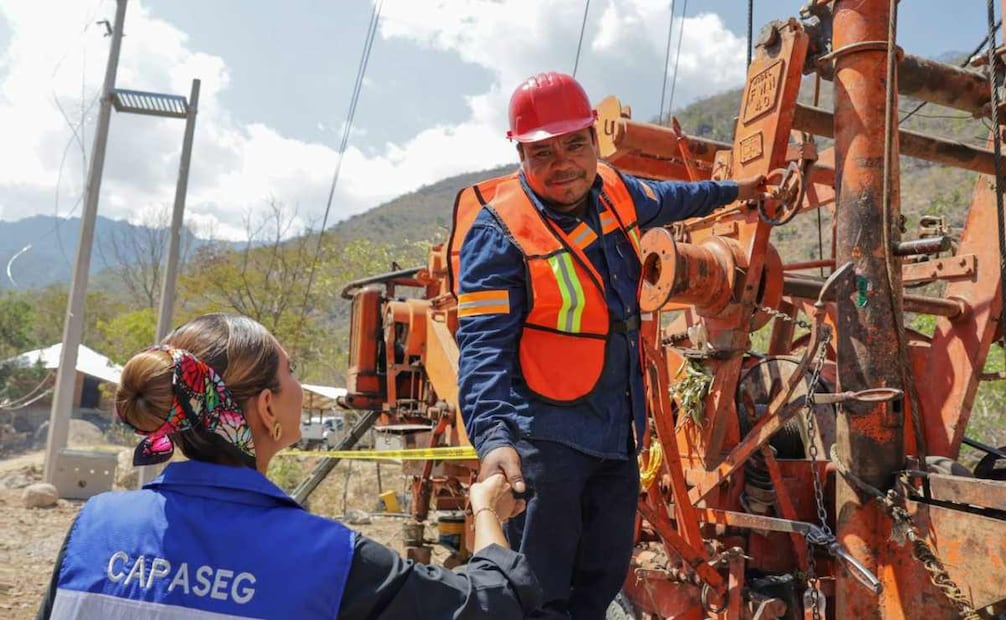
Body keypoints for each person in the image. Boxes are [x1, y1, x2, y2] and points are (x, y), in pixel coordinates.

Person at [453, 71, 767, 618]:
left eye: (574, 144)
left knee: (600, 580)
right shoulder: (499, 232)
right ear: (520, 154)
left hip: (618, 431)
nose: (562, 164)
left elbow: (678, 198)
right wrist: (494, 439)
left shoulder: (617, 191)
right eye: (541, 152)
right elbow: (481, 351)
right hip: (544, 440)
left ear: (594, 140)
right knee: (537, 590)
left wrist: (745, 191)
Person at [37, 313, 541, 619]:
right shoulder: (327, 557)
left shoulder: (93, 527)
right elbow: (492, 605)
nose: (300, 387)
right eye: (290, 372)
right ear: (266, 408)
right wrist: (486, 511)